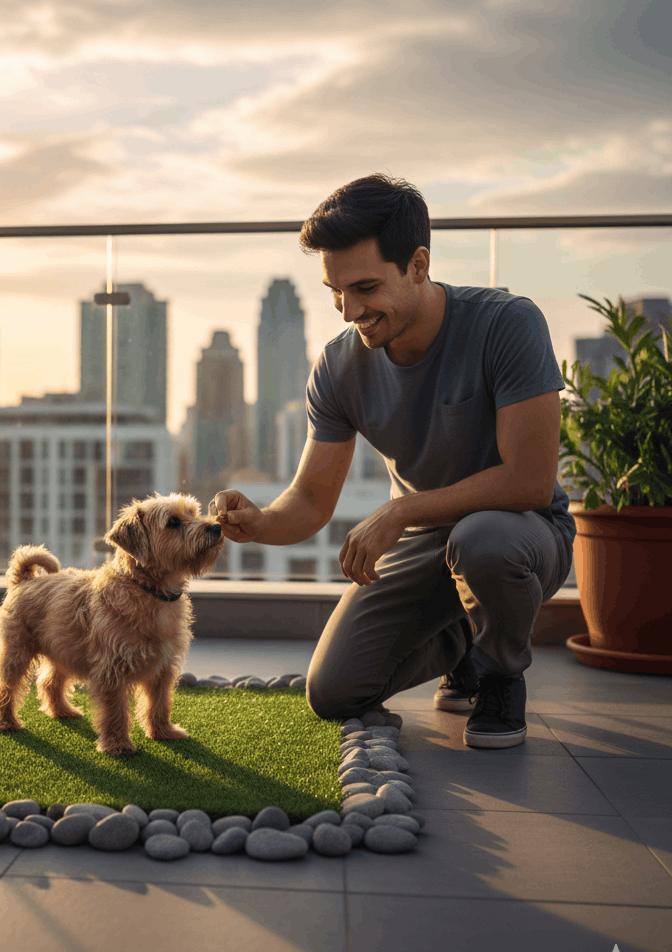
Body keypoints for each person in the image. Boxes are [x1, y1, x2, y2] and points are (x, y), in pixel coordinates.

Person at [209, 173, 576, 749]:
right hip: (429, 541)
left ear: (418, 264)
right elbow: (308, 501)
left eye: (365, 288)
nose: (349, 310)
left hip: (523, 535)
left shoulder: (507, 324)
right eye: (335, 291)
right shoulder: (338, 367)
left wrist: (402, 510)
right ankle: (466, 641)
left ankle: (500, 673)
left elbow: (530, 483)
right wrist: (259, 522)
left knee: (482, 541)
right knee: (333, 693)